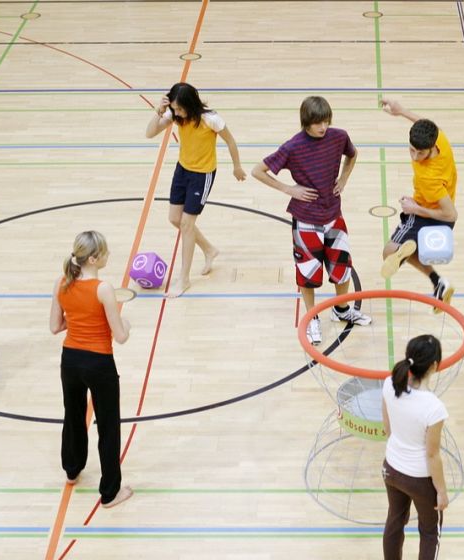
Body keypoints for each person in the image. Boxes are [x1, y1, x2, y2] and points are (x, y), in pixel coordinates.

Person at [251, 96, 371, 346]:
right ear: (306, 122)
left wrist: (344, 179)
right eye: (318, 123)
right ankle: (312, 317)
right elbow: (257, 171)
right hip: (306, 220)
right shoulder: (292, 147)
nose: (323, 127)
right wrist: (288, 189)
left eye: (326, 121)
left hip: (333, 215)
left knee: (342, 267)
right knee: (307, 273)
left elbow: (353, 154)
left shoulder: (339, 137)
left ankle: (341, 310)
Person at [50, 231, 133, 508]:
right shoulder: (103, 288)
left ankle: (72, 469)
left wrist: (76, 321)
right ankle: (110, 493)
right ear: (94, 258)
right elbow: (119, 336)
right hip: (99, 363)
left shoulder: (62, 283)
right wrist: (128, 325)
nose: (109, 256)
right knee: (108, 426)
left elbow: (54, 326)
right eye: (107, 252)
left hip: (70, 360)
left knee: (73, 415)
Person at [146, 82, 247, 298]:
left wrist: (237, 166)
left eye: (180, 108)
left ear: (191, 105)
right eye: (175, 108)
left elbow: (230, 141)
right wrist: (159, 112)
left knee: (186, 223)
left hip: (202, 175)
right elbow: (149, 133)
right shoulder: (176, 116)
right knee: (175, 218)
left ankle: (184, 279)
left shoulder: (210, 119)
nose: (177, 112)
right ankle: (209, 249)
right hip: (182, 170)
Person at [380, 334, 449, 560]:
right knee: (430, 534)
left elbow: (387, 430)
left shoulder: (389, 384)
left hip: (391, 468)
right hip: (420, 480)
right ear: (434, 366)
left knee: (395, 520)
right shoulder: (433, 407)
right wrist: (441, 491)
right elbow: (432, 455)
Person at [379, 98, 457, 310]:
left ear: (431, 147)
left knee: (388, 254)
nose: (414, 156)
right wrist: (401, 111)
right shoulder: (440, 138)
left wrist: (415, 208)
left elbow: (451, 215)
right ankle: (438, 283)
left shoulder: (429, 177)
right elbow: (425, 124)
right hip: (434, 210)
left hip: (431, 214)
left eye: (420, 153)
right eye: (411, 150)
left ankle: (410, 252)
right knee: (400, 252)